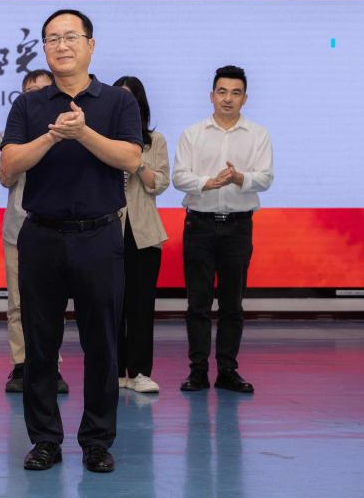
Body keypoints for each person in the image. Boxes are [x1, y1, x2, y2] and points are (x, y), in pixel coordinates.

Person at [0, 9, 142, 474]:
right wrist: (52, 136)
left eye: (70, 37)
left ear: (90, 45)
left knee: (102, 344)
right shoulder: (29, 106)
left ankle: (97, 442)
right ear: (44, 48)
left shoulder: (117, 101)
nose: (61, 46)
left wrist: (83, 133)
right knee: (41, 345)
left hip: (99, 237)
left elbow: (130, 158)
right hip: (41, 236)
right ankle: (45, 440)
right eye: (52, 39)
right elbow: (8, 167)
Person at [173, 65, 273, 394]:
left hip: (238, 227)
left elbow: (265, 178)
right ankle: (198, 371)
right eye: (222, 92)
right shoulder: (193, 133)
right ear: (211, 95)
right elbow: (179, 177)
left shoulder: (258, 134)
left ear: (245, 98)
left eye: (235, 93)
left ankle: (228, 371)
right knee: (198, 304)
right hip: (199, 225)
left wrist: (240, 178)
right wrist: (209, 182)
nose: (228, 98)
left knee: (232, 305)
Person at [0, 69, 68, 395]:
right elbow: (6, 177)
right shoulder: (11, 132)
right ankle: (22, 364)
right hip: (19, 228)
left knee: (54, 302)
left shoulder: (70, 131)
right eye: (30, 91)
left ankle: (51, 365)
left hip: (60, 228)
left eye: (43, 90)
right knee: (18, 302)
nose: (36, 95)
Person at [111, 76, 169, 394]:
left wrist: (136, 162)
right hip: (107, 230)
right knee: (110, 305)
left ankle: (141, 371)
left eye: (131, 99)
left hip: (144, 233)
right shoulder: (100, 139)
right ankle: (115, 370)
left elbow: (158, 183)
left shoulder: (154, 140)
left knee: (141, 305)